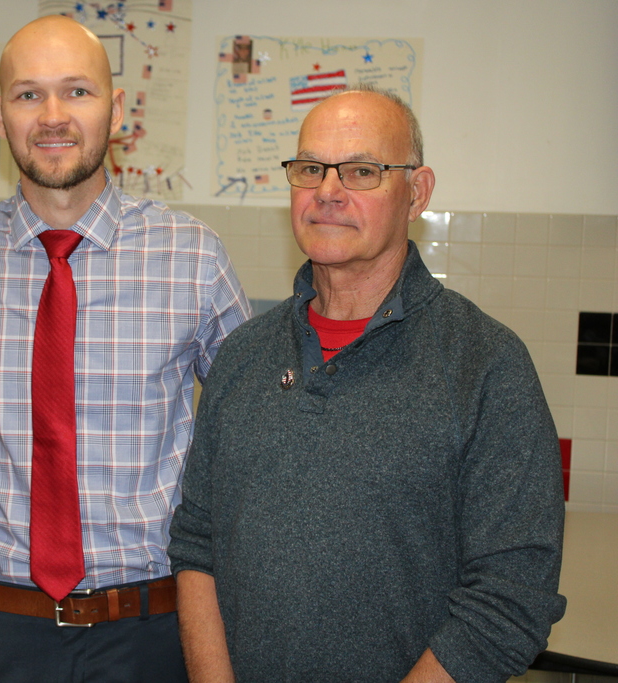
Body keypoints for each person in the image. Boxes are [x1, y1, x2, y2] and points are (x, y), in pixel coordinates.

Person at [168, 85, 567, 683]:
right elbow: (197, 541)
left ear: (418, 192)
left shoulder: (486, 363)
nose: (328, 192)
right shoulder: (244, 355)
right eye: (310, 169)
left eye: (362, 171)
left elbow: (511, 598)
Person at [0, 15, 250, 682]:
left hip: (149, 632)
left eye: (77, 92)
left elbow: (255, 431)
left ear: (116, 110)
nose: (53, 116)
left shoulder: (192, 258)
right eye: (28, 94)